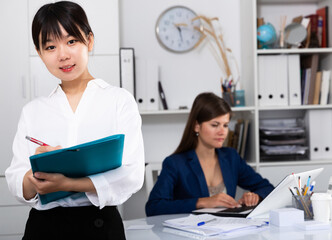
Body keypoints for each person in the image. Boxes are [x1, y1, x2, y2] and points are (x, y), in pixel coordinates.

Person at [5, 1, 144, 239]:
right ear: (39, 53)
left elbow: (132, 175)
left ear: (89, 40)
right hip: (44, 228)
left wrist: (67, 183)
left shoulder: (119, 100)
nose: (63, 55)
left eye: (71, 41)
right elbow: (17, 179)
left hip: (100, 226)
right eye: (50, 47)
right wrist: (33, 176)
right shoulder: (32, 111)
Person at [145, 92, 274, 216]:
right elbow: (154, 206)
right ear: (197, 126)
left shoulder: (231, 157)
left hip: (226, 231)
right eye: (215, 125)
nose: (222, 132)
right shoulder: (175, 163)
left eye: (225, 125)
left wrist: (255, 196)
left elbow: (267, 187)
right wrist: (201, 202)